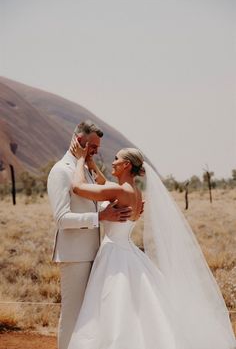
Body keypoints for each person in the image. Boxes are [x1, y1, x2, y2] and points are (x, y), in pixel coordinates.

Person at [67, 141, 236, 349]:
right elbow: (104, 186)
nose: (113, 162)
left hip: (114, 255)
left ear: (127, 165)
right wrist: (92, 166)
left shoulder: (120, 192)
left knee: (113, 309)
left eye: (116, 159)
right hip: (126, 250)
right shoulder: (135, 194)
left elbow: (78, 187)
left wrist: (81, 159)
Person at [47, 121, 133, 349]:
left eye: (97, 146)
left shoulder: (83, 170)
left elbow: (102, 195)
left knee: (91, 318)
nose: (96, 149)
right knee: (73, 316)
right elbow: (61, 218)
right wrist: (101, 217)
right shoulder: (61, 171)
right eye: (92, 145)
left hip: (97, 254)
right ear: (78, 139)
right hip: (74, 256)